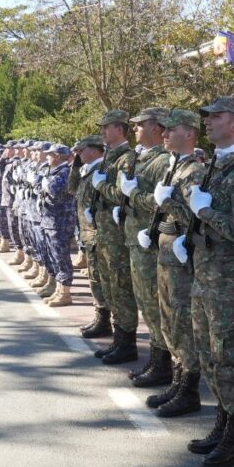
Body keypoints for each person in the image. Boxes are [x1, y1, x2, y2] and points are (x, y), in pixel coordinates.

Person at [173, 96, 234, 467]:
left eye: (216, 117)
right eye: (207, 117)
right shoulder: (216, 165)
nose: (208, 122)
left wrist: (205, 211)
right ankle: (222, 423)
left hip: (229, 280)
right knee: (210, 356)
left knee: (229, 358)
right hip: (205, 273)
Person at [140, 109, 206, 418]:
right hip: (165, 254)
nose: (164, 134)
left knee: (182, 323)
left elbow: (195, 218)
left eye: (171, 130)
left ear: (190, 134)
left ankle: (189, 389)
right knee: (168, 321)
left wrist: (167, 201)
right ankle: (178, 380)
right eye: (163, 130)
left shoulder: (193, 170)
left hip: (180, 260)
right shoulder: (173, 168)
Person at [117, 108, 174, 385]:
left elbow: (162, 203)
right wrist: (125, 205)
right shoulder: (141, 159)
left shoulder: (163, 161)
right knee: (145, 303)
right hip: (135, 239)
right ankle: (155, 358)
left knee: (154, 304)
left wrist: (134, 195)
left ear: (156, 127)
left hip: (150, 244)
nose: (135, 129)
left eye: (140, 125)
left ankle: (163, 364)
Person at [90, 110, 140, 365]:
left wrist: (101, 187)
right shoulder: (108, 157)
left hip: (118, 236)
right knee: (110, 286)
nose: (102, 132)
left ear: (120, 129)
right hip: (105, 233)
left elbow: (124, 195)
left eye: (106, 127)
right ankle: (118, 338)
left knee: (121, 289)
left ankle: (127, 343)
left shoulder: (126, 159)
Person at [71, 135, 113, 337]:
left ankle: (107, 320)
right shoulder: (86, 170)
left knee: (102, 279)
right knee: (95, 279)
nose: (78, 154)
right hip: (89, 233)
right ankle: (100, 317)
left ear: (95, 151)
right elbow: (71, 189)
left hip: (99, 232)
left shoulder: (102, 170)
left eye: (82, 150)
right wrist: (75, 166)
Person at [39, 144, 76, 306]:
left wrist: (43, 183)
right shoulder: (53, 172)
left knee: (61, 258)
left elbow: (54, 189)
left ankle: (65, 293)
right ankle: (58, 289)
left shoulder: (65, 172)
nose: (46, 157)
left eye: (49, 155)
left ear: (58, 156)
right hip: (50, 220)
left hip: (60, 221)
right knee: (54, 256)